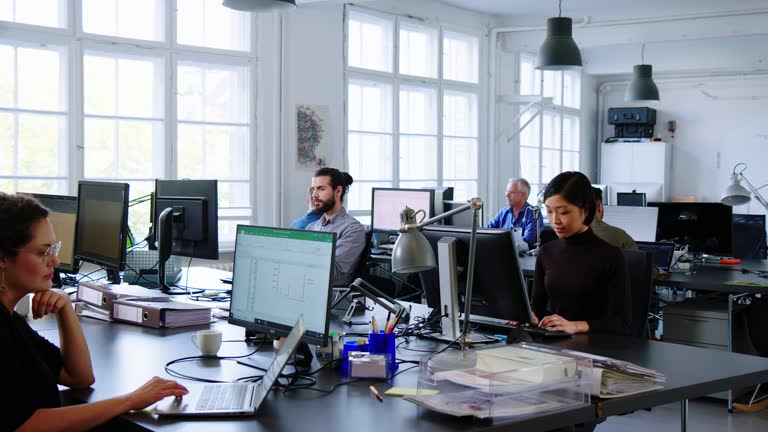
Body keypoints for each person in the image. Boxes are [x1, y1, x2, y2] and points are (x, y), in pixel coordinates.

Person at [0, 193, 188, 431]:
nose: (54, 261)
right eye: (42, 252)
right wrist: (131, 400)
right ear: (3, 258)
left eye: (54, 249)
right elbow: (24, 426)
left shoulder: (11, 319)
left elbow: (79, 377)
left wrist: (64, 307)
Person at [531, 172, 630, 335]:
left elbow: (620, 323)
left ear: (586, 210)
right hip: (554, 341)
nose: (555, 220)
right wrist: (529, 317)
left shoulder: (610, 256)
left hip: (594, 344)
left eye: (563, 212)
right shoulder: (547, 252)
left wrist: (575, 326)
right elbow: (537, 308)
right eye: (549, 211)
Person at [306, 168, 367, 286]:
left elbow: (333, 272)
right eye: (313, 189)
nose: (314, 195)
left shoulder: (352, 229)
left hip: (332, 294)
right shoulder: (311, 227)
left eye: (321, 189)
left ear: (338, 191)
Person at [487, 178, 542, 250]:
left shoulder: (534, 213)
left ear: (523, 195)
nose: (507, 195)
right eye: (507, 191)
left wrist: (500, 244)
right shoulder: (503, 212)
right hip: (501, 252)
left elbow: (527, 242)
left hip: (524, 256)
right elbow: (488, 232)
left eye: (511, 192)